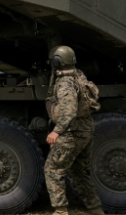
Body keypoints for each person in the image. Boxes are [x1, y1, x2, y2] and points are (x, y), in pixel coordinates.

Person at [44, 46, 104, 215]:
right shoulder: (79, 76)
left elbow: (69, 111)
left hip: (71, 132)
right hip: (86, 130)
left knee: (53, 169)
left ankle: (61, 211)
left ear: (57, 61)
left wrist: (57, 131)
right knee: (80, 172)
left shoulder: (65, 83)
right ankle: (95, 209)